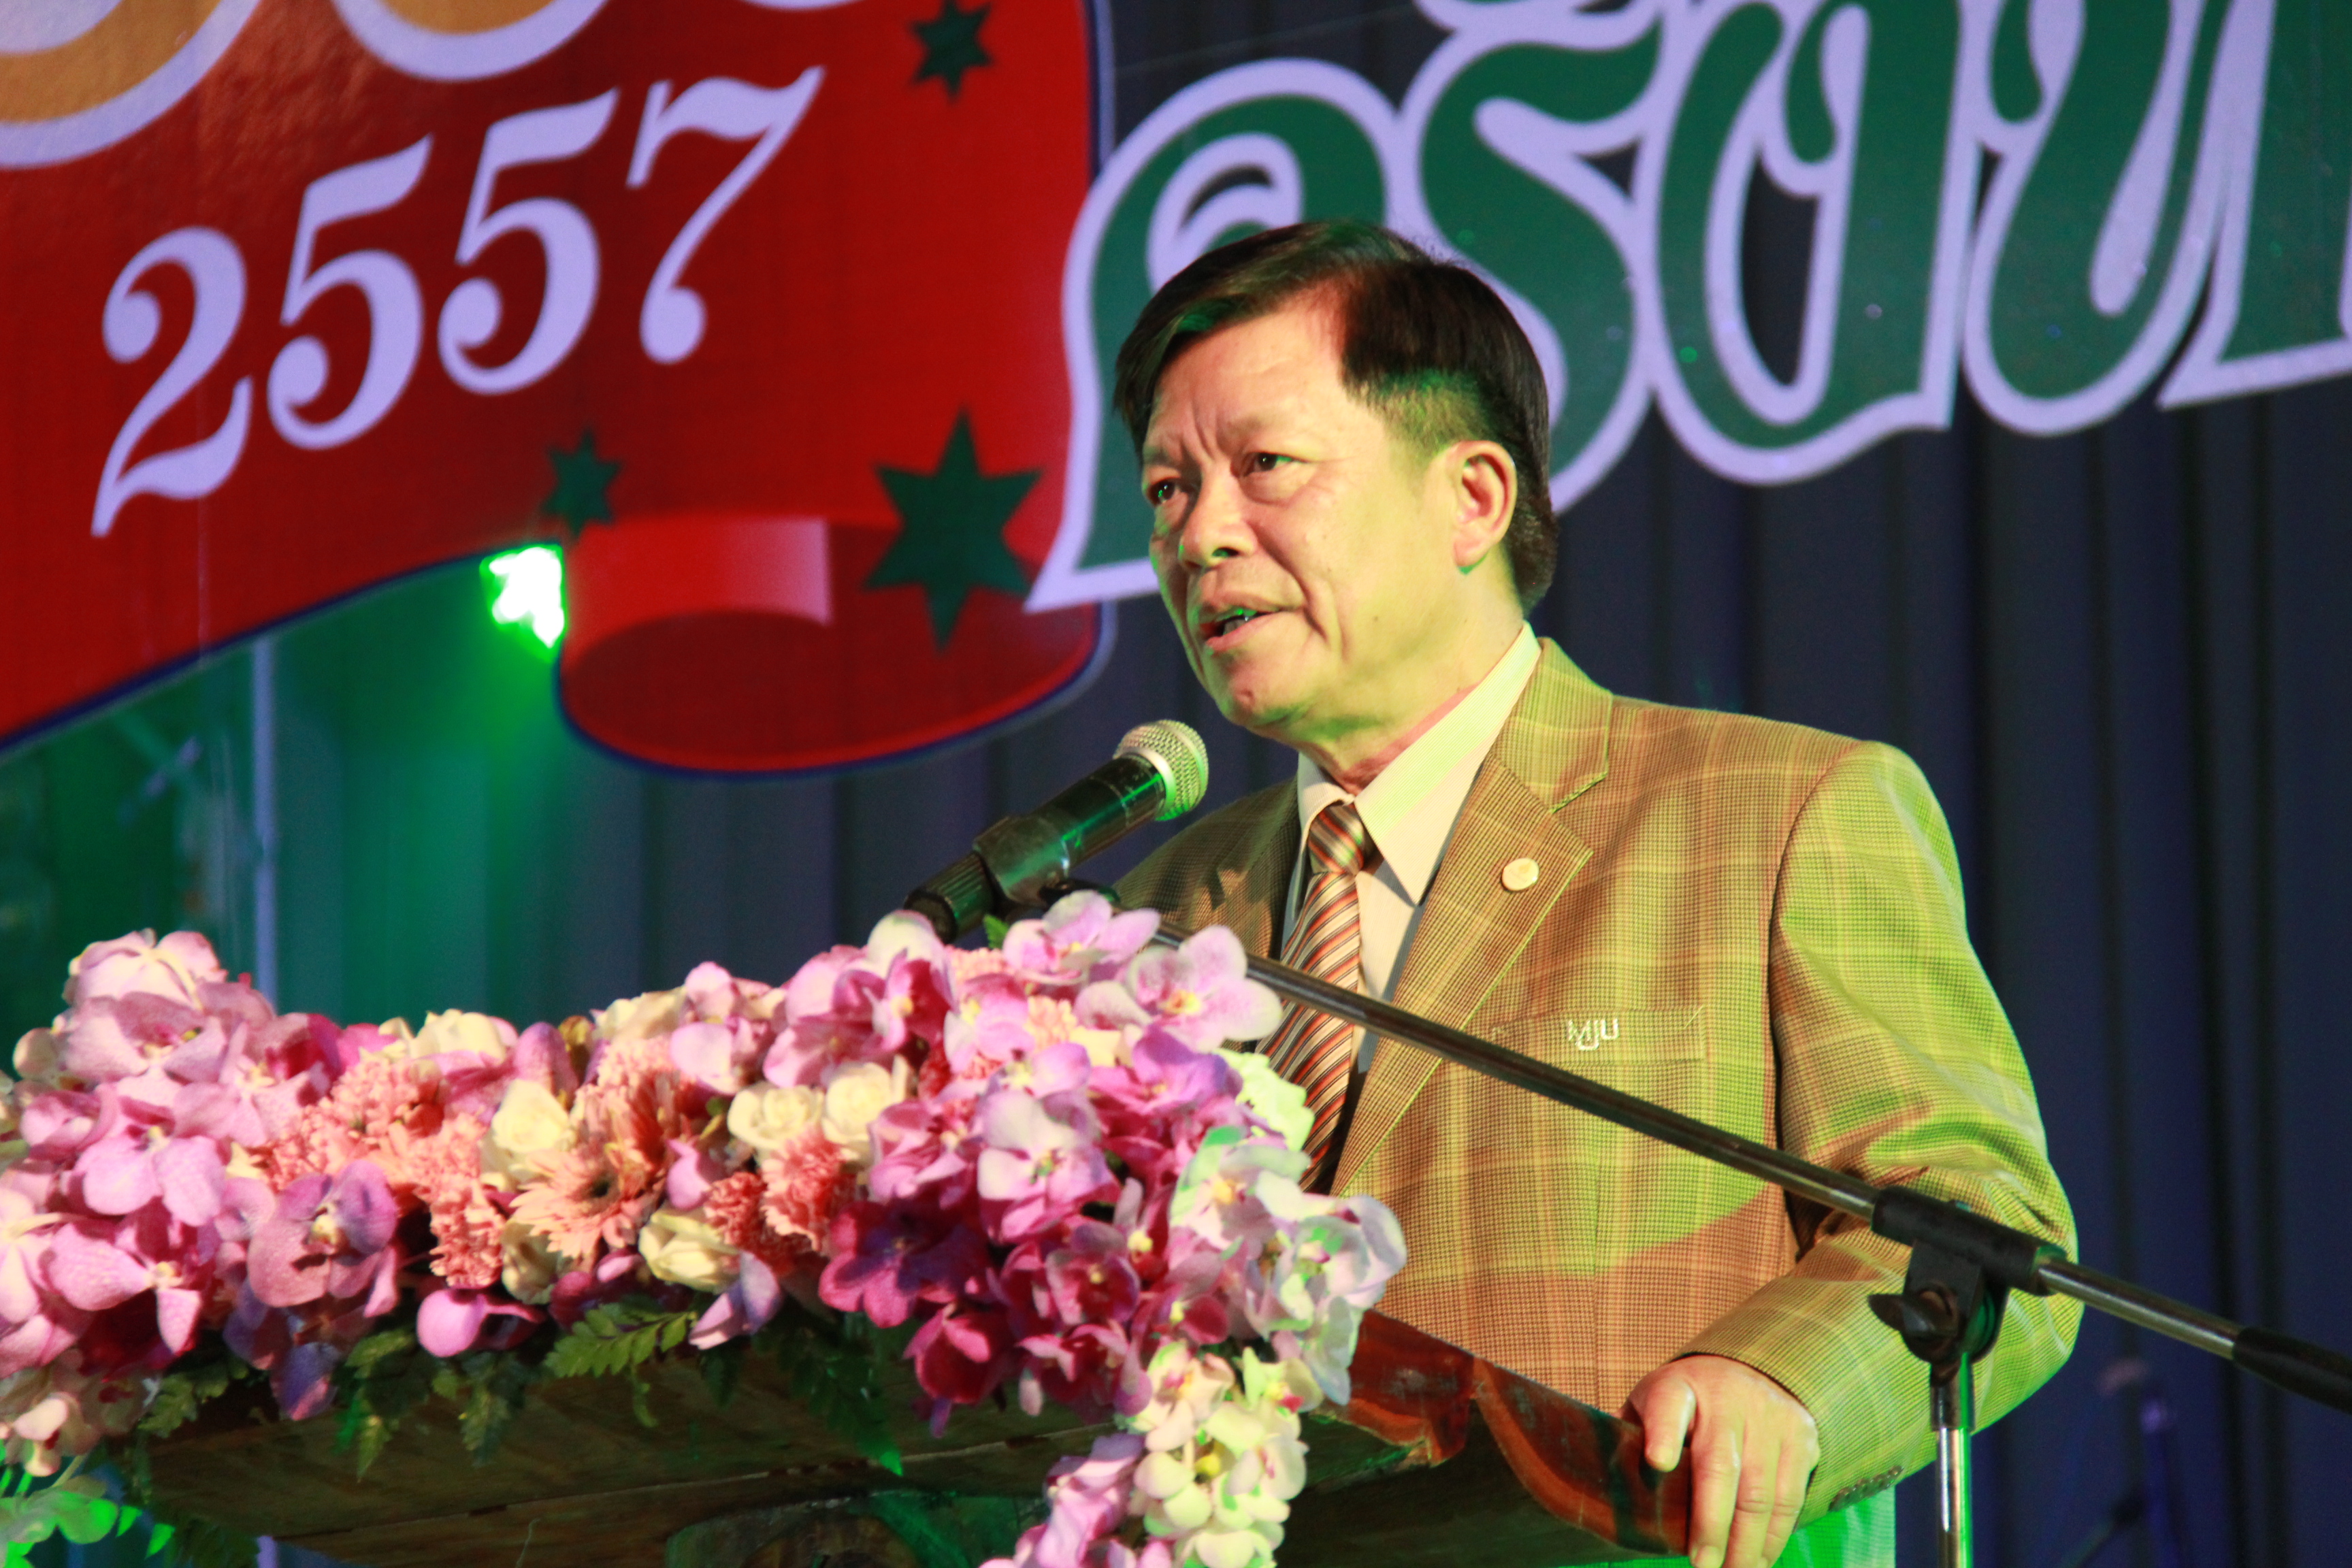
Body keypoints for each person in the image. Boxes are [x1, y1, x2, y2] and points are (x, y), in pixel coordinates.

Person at [1110, 221, 2078, 1568]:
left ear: (1473, 498)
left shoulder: (1775, 815)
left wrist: (1789, 1381)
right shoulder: (1155, 915)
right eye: (1167, 490)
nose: (1202, 535)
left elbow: (1980, 1228)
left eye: (1264, 467)